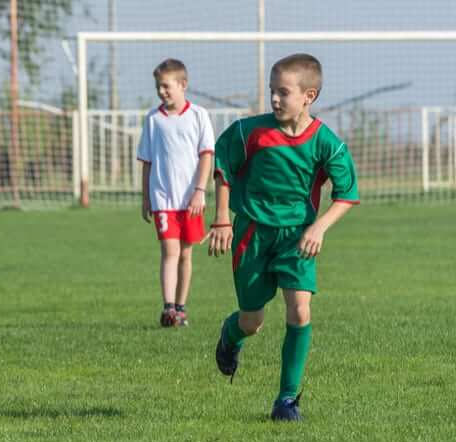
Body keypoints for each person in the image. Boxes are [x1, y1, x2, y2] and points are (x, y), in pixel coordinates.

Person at [207, 53, 359, 421]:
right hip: (253, 234)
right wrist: (223, 219)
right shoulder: (250, 132)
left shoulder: (326, 142)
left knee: (300, 310)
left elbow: (348, 193)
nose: (275, 99)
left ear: (309, 95)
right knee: (252, 322)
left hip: (298, 238)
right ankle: (231, 337)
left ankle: (287, 400)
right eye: (272, 91)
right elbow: (223, 167)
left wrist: (318, 227)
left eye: (283, 93)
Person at [137, 58, 215, 327]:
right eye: (159, 87)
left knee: (185, 254)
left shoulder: (198, 115)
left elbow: (206, 156)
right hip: (163, 199)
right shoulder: (153, 119)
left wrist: (200, 191)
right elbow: (146, 160)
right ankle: (168, 308)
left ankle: (181, 307)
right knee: (169, 251)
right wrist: (146, 196)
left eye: (167, 86)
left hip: (191, 200)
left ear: (183, 85)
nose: (162, 92)